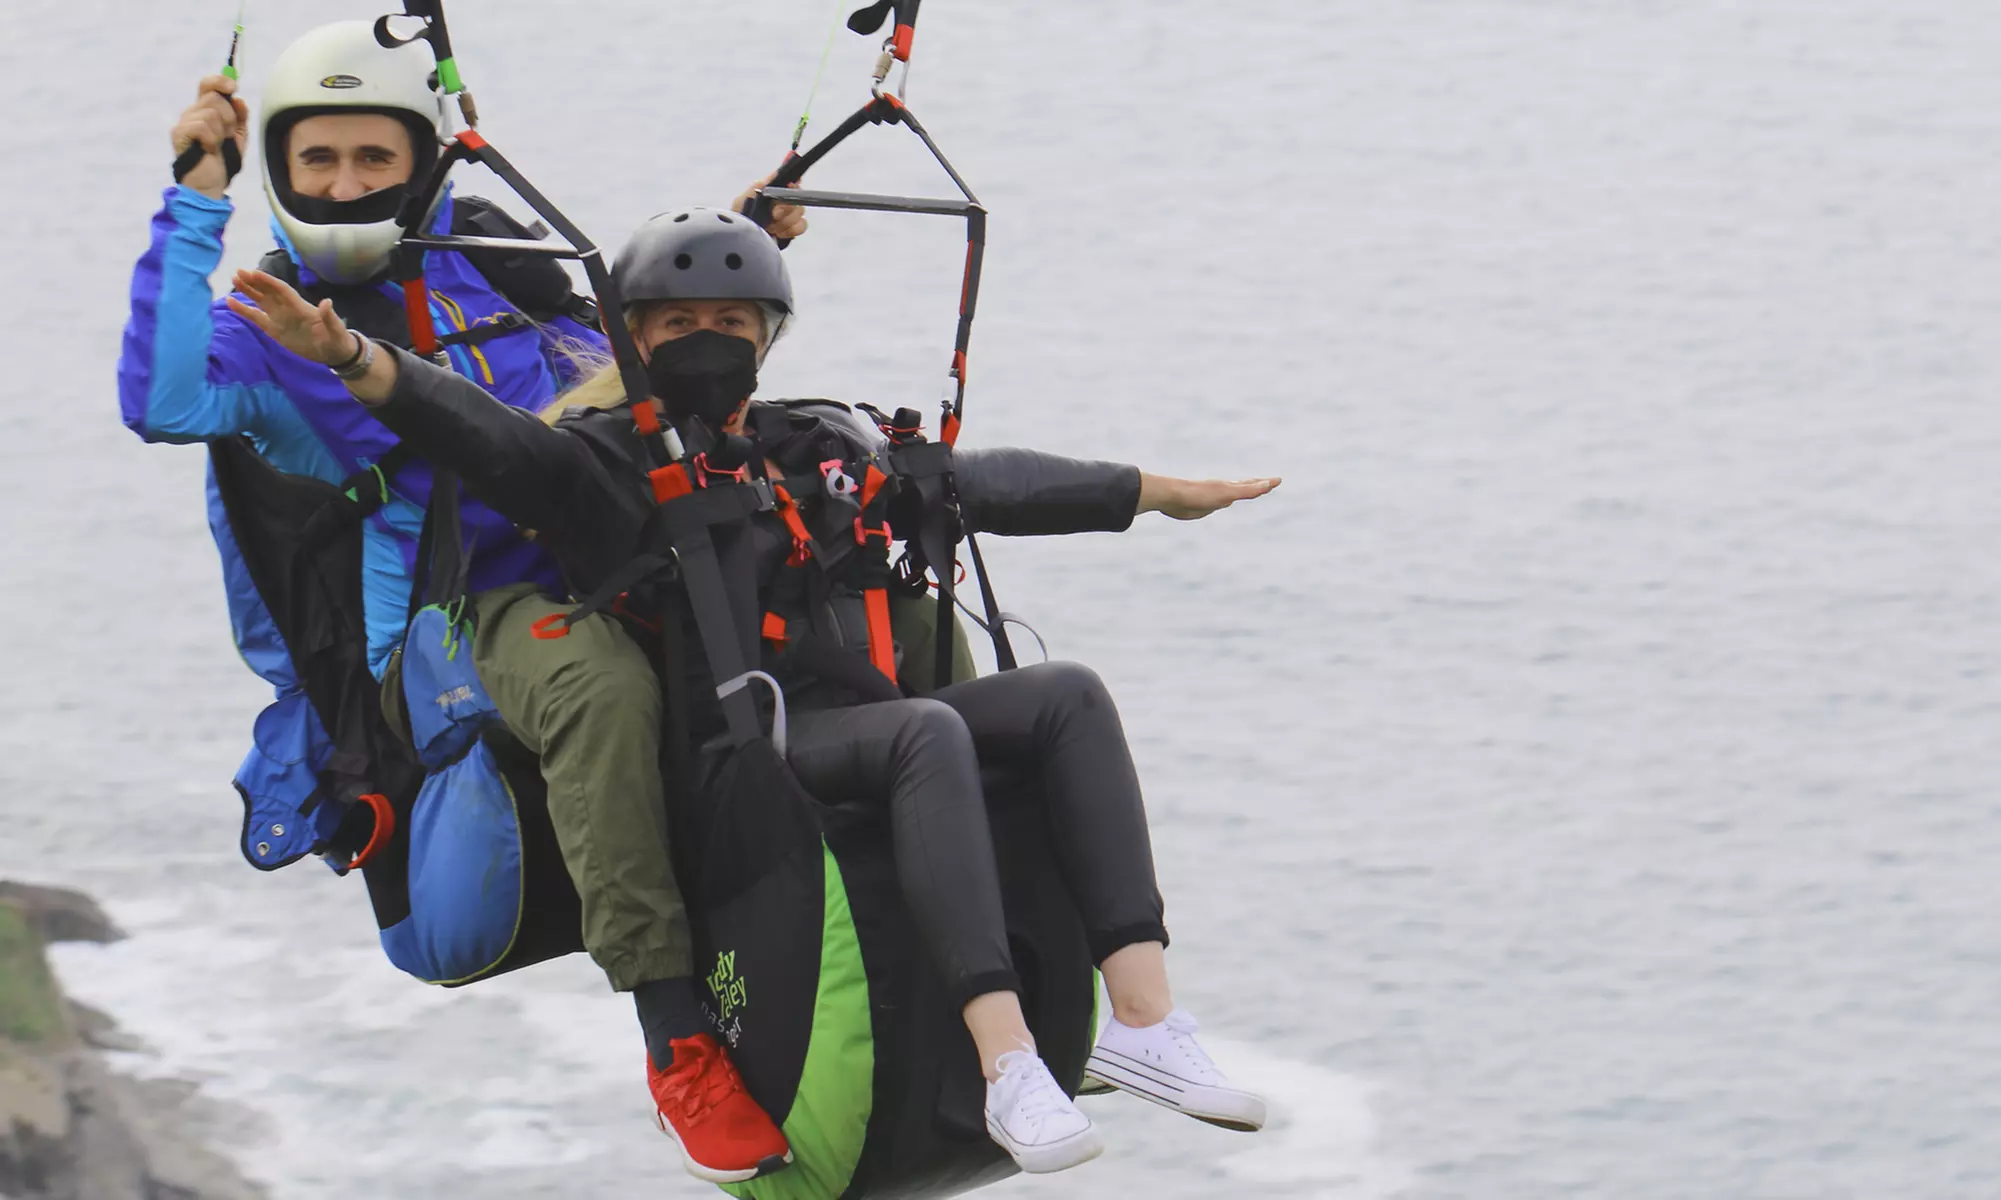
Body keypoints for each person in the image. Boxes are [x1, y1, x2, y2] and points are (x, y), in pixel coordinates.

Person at [225, 207, 1280, 1175]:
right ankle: (1007, 1065)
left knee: (1066, 698)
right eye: (678, 319)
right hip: (730, 760)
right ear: (635, 338)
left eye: (731, 318)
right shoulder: (600, 466)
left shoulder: (806, 446)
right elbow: (485, 437)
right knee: (925, 737)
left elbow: (971, 484)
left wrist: (1152, 496)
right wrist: (359, 361)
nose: (706, 339)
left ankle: (1143, 1022)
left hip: (852, 727)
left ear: (767, 336)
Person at [116, 22, 812, 1183]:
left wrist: (732, 253)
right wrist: (197, 191)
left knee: (841, 591)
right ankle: (673, 1034)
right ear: (279, 167)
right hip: (452, 619)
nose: (345, 186)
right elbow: (162, 395)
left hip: (603, 551)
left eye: (373, 160)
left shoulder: (492, 261)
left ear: (424, 160)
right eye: (317, 161)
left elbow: (622, 383)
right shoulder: (272, 325)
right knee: (598, 685)